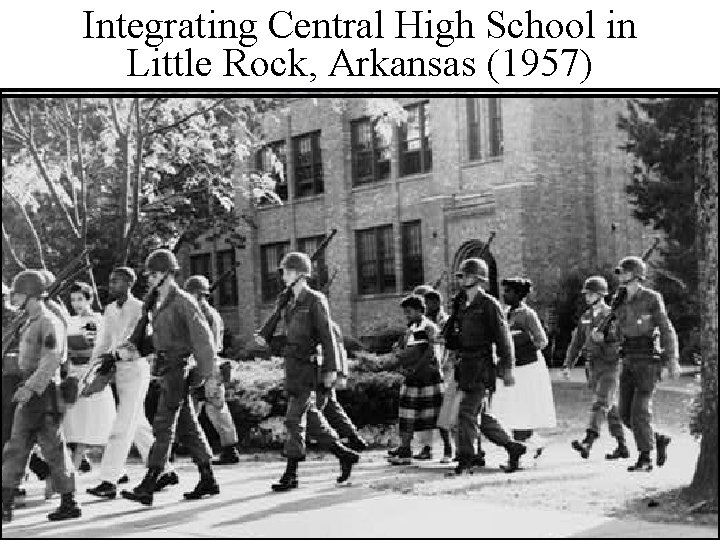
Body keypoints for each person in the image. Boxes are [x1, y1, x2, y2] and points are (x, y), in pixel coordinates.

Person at [121, 249, 219, 506]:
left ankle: (150, 480)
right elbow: (156, 339)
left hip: (178, 368)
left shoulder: (183, 301)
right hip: (165, 367)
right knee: (187, 426)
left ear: (166, 274)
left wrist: (210, 376)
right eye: (148, 274)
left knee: (163, 425)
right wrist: (132, 351)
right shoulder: (156, 302)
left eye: (153, 274)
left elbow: (203, 340)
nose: (149, 278)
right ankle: (208, 477)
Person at [256, 251, 359, 492]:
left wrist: (332, 369)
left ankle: (291, 473)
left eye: (288, 271)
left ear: (301, 274)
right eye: (283, 271)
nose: (283, 275)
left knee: (293, 419)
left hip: (308, 367)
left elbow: (328, 336)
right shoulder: (289, 301)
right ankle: (344, 454)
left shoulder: (315, 300)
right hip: (292, 365)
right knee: (311, 419)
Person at [1, 270, 80, 522]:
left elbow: (52, 359)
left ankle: (69, 502)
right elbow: (29, 359)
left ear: (30, 295)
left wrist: (30, 387)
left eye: (18, 293)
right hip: (30, 394)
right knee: (16, 448)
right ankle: (4, 504)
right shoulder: (30, 321)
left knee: (54, 451)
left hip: (44, 395)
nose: (14, 297)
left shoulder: (48, 322)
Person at [86, 267, 161, 500]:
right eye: (110, 280)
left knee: (121, 426)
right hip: (117, 371)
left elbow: (137, 341)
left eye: (116, 281)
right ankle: (165, 470)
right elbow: (104, 340)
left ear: (129, 283)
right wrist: (93, 367)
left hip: (136, 371)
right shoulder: (109, 309)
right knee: (137, 424)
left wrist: (117, 355)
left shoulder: (139, 308)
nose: (112, 284)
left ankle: (109, 480)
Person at [449, 259, 526, 475]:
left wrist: (508, 368)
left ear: (478, 279)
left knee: (466, 413)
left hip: (481, 367)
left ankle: (466, 458)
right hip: (465, 366)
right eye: (461, 275)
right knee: (479, 417)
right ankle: (513, 447)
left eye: (465, 275)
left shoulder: (489, 304)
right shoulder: (462, 304)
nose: (461, 279)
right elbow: (457, 335)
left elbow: (504, 339)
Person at [613, 256, 680, 472]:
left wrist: (672, 359)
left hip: (647, 362)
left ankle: (645, 458)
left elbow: (666, 328)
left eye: (624, 272)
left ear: (635, 275)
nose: (621, 276)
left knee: (639, 411)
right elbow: (616, 330)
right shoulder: (619, 300)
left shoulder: (651, 298)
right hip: (628, 360)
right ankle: (657, 439)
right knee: (624, 414)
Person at [490, 278, 557, 458]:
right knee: (512, 409)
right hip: (512, 366)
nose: (504, 295)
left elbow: (542, 341)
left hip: (528, 368)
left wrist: (521, 343)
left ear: (519, 294)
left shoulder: (527, 314)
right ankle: (533, 443)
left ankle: (520, 453)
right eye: (504, 291)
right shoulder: (504, 313)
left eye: (509, 291)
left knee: (523, 408)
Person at [563, 276, 628, 461]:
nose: (587, 297)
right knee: (609, 407)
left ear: (601, 295)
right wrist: (568, 364)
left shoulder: (612, 315)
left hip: (610, 365)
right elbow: (576, 343)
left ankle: (588, 441)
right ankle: (622, 446)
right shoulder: (585, 317)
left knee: (600, 403)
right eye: (586, 294)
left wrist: (605, 339)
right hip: (592, 367)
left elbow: (620, 341)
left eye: (591, 294)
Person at [184, 275, 241, 465]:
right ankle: (227, 446)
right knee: (208, 408)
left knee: (213, 407)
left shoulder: (202, 315)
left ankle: (229, 449)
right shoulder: (211, 314)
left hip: (206, 365)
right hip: (206, 363)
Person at [62, 281, 115, 472]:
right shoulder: (70, 320)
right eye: (73, 300)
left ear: (89, 299)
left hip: (92, 373)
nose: (76, 303)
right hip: (74, 373)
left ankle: (115, 470)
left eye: (80, 299)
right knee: (78, 424)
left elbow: (97, 348)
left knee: (101, 423)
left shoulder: (96, 320)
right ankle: (78, 463)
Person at [388, 295, 444, 466]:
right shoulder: (410, 330)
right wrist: (401, 362)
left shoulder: (429, 328)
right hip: (411, 379)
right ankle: (405, 449)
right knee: (406, 415)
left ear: (420, 310)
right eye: (405, 313)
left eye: (410, 312)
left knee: (433, 415)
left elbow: (431, 352)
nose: (407, 315)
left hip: (427, 378)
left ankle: (442, 449)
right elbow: (402, 351)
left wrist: (415, 368)